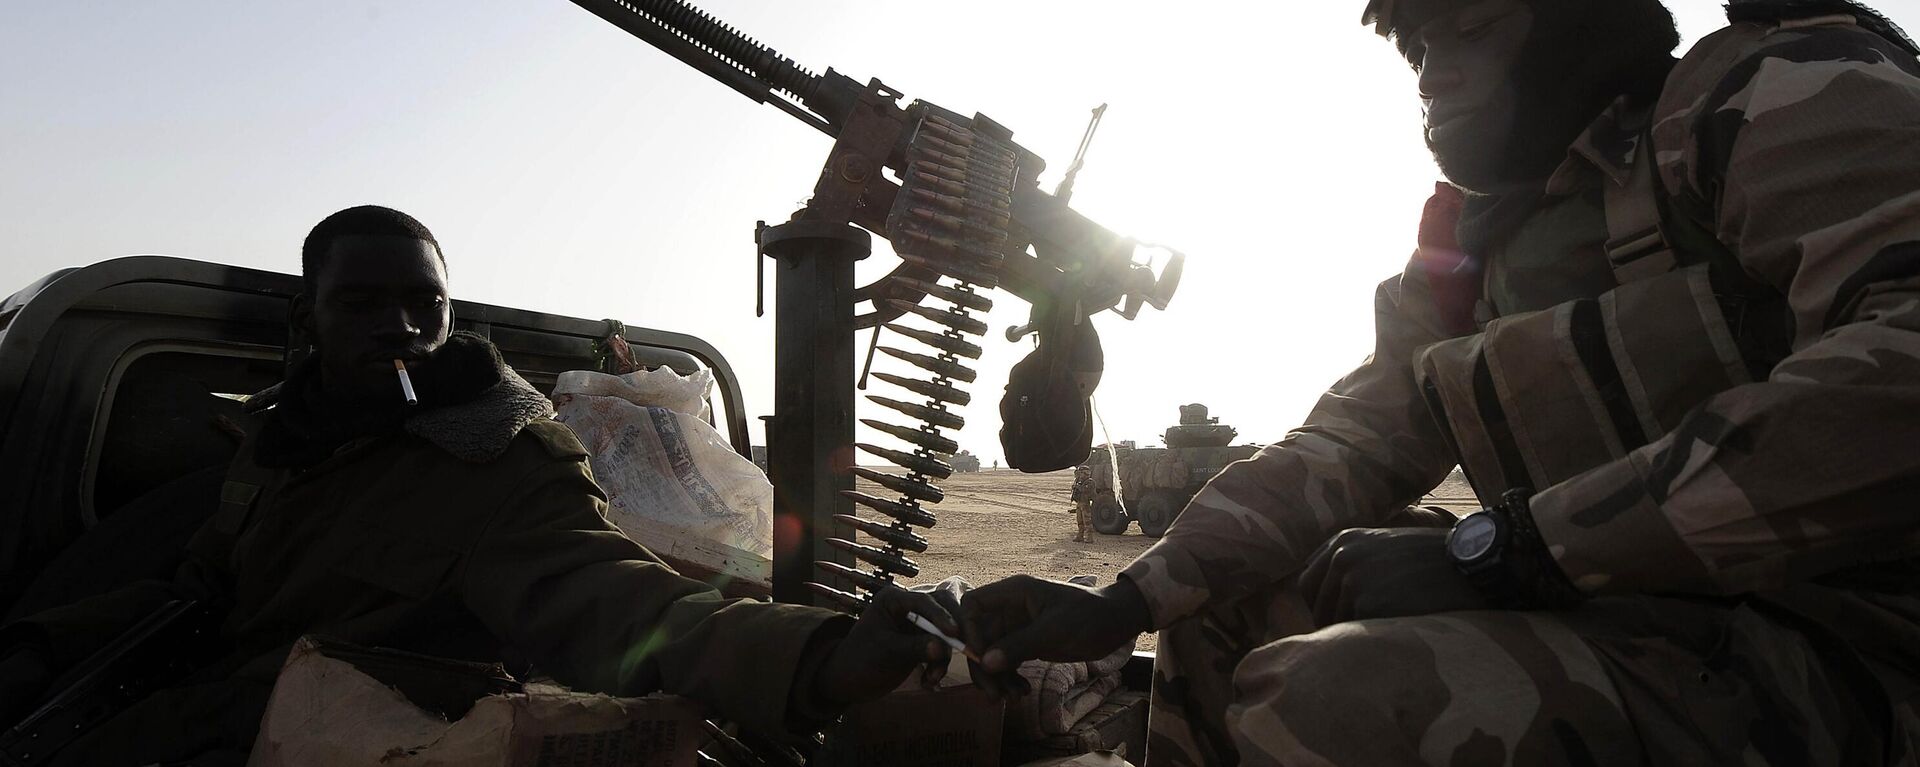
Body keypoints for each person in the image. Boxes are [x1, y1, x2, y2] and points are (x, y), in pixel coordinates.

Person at [959, 1, 1920, 764]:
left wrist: (1516, 549)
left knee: (1345, 696)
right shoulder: (1475, 238)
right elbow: (1350, 441)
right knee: (1220, 611)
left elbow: (1897, 385)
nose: (1434, 72)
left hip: (1843, 656)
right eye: (1416, 41)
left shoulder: (1773, 91)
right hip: (1634, 618)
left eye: (1470, 26)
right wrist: (1128, 598)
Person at [0, 206, 959, 766]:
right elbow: (205, 587)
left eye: (425, 304)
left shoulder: (494, 459)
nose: (401, 328)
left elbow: (624, 607)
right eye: (363, 304)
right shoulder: (279, 438)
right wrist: (45, 649)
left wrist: (822, 657)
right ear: (309, 317)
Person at [1071, 465, 1096, 543]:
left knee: (1087, 521)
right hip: (1079, 502)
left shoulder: (1090, 481)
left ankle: (1089, 537)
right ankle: (1080, 536)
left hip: (1085, 503)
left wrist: (1078, 487)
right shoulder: (1078, 481)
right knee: (1080, 521)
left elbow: (1086, 490)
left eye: (1082, 473)